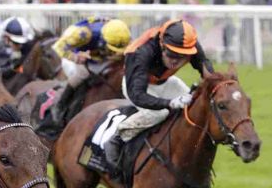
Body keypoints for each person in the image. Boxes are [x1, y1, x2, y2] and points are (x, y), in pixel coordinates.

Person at [104, 19, 215, 174]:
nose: (176, 60)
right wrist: (169, 103)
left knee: (195, 105)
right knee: (158, 113)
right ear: (162, 45)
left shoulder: (189, 44)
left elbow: (204, 65)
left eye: (182, 56)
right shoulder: (141, 52)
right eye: (171, 54)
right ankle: (117, 137)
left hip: (164, 81)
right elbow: (138, 95)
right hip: (137, 87)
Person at [36, 17, 131, 140]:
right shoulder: (84, 34)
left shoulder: (120, 35)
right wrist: (76, 57)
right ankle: (60, 106)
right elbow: (58, 47)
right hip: (73, 55)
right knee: (83, 74)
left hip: (96, 55)